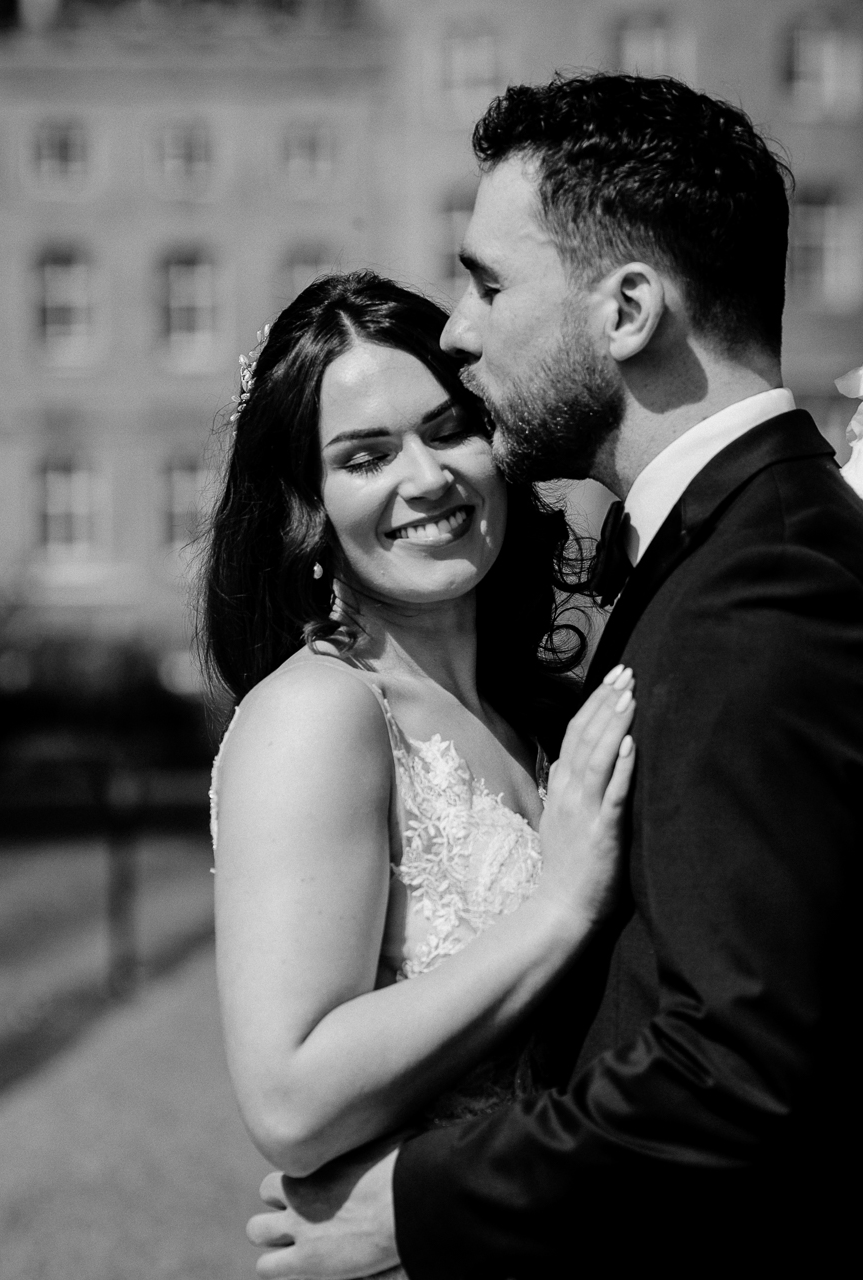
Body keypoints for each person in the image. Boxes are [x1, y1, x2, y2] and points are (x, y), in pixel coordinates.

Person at [247, 74, 863, 1278]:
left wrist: (413, 1206)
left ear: (626, 307)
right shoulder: (731, 555)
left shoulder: (759, 591)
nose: (458, 328)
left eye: (491, 282)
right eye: (363, 453)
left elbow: (729, 1070)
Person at [204, 272, 639, 1241]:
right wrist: (559, 905)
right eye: (367, 455)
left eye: (449, 429)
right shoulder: (319, 714)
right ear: (305, 503)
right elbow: (291, 1101)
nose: (428, 477)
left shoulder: (534, 710)